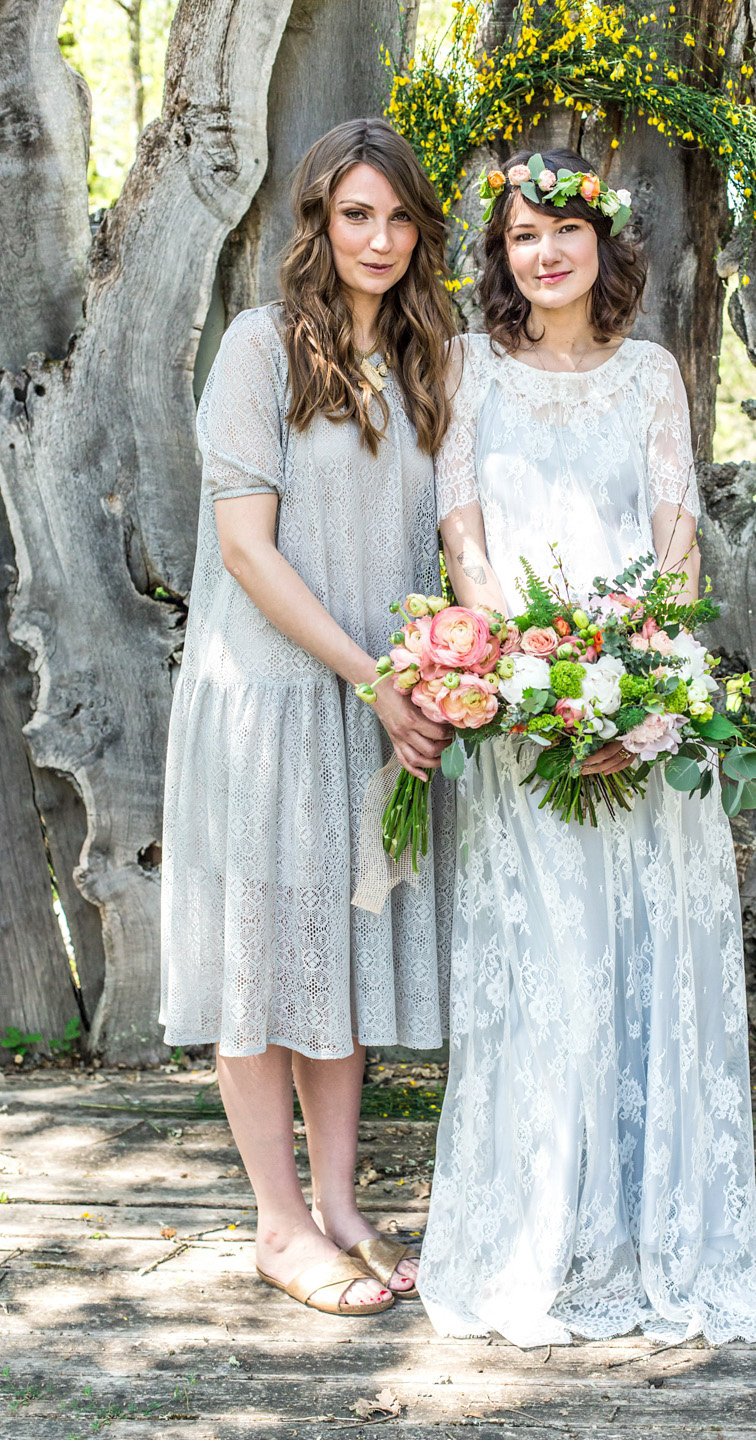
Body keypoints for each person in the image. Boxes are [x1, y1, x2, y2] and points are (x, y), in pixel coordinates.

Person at [416, 148, 756, 1348]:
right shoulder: (471, 367)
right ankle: (538, 1227)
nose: (547, 252)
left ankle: (646, 1224)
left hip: (642, 706)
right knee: (549, 966)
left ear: (607, 245)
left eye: (567, 230)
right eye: (524, 236)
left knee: (640, 956)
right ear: (504, 255)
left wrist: (639, 683)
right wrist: (520, 675)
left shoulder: (650, 374)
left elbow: (676, 535)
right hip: (526, 712)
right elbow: (461, 527)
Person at [159, 118, 456, 1316]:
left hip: (374, 707)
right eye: (354, 215)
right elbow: (247, 551)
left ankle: (339, 1205)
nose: (378, 240)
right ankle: (279, 1225)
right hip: (275, 700)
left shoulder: (433, 361)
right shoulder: (260, 347)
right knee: (265, 964)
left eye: (396, 217)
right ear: (317, 222)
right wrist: (373, 676)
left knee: (338, 956)